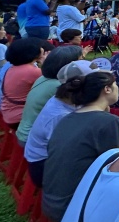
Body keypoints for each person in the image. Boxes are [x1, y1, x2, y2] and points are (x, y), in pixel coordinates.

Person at [42, 70, 119, 222]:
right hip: (73, 208)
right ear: (107, 89)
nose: (118, 89)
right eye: (116, 85)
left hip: (51, 201)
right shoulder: (107, 122)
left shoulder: (68, 117)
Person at [24, 59, 93, 187]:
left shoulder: (65, 99)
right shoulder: (61, 116)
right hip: (44, 166)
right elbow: (70, 151)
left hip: (48, 156)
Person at [17, 45, 84, 147]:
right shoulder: (59, 86)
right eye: (80, 61)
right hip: (34, 139)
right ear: (68, 66)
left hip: (25, 132)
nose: (84, 64)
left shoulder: (43, 78)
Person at [1, 38, 48, 130]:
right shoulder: (33, 71)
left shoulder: (12, 68)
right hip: (22, 118)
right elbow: (53, 82)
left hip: (9, 114)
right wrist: (46, 63)